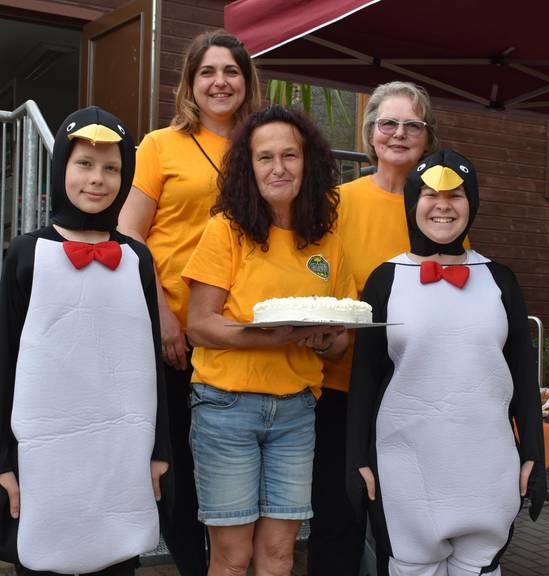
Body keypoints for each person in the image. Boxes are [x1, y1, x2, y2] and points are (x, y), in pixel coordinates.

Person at [347, 149, 547, 576]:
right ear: (412, 202)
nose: (442, 205)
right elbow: (364, 377)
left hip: (487, 467)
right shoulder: (385, 279)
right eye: (429, 195)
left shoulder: (500, 280)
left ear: (471, 202)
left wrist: (534, 452)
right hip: (407, 468)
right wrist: (355, 459)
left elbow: (523, 377)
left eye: (456, 195)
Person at [182, 105, 356, 576]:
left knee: (279, 555)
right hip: (226, 408)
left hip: (297, 412)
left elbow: (341, 340)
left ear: (309, 163)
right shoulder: (226, 231)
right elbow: (199, 325)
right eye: (265, 158)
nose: (278, 168)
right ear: (248, 167)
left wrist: (322, 341)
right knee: (232, 557)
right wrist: (269, 338)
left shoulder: (327, 241)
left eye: (289, 156)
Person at [0, 106, 170, 575]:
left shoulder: (136, 257)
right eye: (84, 164)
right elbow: (4, 358)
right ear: (61, 168)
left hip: (120, 449)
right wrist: (3, 460)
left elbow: (152, 361)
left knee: (116, 558)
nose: (97, 179)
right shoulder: (26, 254)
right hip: (45, 451)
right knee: (43, 556)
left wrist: (159, 451)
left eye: (111, 168)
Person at [118, 29, 260, 576]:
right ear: (190, 83)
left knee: (231, 471)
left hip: (243, 336)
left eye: (230, 71)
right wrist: (164, 317)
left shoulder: (261, 145)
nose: (220, 82)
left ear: (247, 83)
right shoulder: (160, 146)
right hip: (175, 334)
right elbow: (131, 235)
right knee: (177, 466)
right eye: (208, 72)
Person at [308, 81, 441, 576]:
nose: (399, 134)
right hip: (339, 388)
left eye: (413, 125)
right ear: (370, 134)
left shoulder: (441, 207)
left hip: (410, 393)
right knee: (337, 520)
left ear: (427, 138)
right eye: (388, 123)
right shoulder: (336, 203)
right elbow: (316, 274)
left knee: (402, 523)